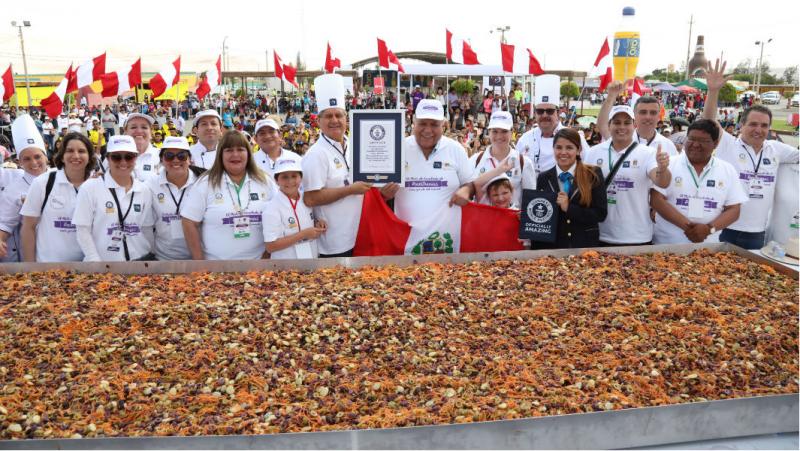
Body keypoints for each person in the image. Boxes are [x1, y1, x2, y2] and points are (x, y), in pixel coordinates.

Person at [702, 59, 799, 249]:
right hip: (724, 228)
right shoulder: (728, 144)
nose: (758, 130)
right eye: (753, 124)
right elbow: (709, 121)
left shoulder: (776, 149)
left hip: (757, 232)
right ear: (741, 125)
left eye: (764, 126)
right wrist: (713, 91)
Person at [381, 99, 478, 254]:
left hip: (447, 242)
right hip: (406, 241)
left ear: (443, 125)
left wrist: (467, 190)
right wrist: (383, 195)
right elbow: (377, 194)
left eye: (434, 124)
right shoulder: (397, 148)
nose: (428, 130)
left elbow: (471, 184)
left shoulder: (455, 150)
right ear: (413, 122)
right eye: (422, 123)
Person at [302, 74, 374, 258]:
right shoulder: (316, 154)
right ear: (318, 122)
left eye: (339, 115)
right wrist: (350, 190)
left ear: (346, 119)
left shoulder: (356, 145)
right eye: (328, 116)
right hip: (334, 241)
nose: (334, 120)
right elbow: (310, 198)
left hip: (361, 233)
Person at [584, 104, 671, 246]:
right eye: (617, 122)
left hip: (637, 236)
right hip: (600, 233)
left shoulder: (648, 153)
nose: (621, 127)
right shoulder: (594, 152)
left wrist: (662, 168)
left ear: (634, 125)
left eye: (627, 122)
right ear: (609, 125)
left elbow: (662, 182)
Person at [181, 130, 275, 260]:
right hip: (216, 268)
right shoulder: (205, 183)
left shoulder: (265, 180)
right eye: (229, 150)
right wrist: (200, 262)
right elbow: (189, 222)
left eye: (240, 149)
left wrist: (268, 255)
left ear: (248, 153)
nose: (235, 154)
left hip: (259, 267)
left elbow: (278, 218)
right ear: (220, 154)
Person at [651, 119, 747, 245]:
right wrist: (687, 227)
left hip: (708, 248)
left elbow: (734, 210)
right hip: (666, 245)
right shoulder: (669, 164)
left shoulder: (727, 170)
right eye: (691, 139)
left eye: (703, 141)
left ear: (716, 143)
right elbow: (656, 200)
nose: (695, 145)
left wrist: (708, 229)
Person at [73, 135, 156, 262]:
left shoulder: (144, 190)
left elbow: (146, 228)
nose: (123, 162)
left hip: (139, 261)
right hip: (103, 264)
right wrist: (94, 260)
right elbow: (82, 229)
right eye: (116, 157)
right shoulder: (90, 188)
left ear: (136, 158)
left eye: (129, 157)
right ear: (108, 159)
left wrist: (150, 254)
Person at [19, 133, 96, 262]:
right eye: (70, 150)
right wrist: (30, 268)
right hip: (48, 268)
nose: (76, 155)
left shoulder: (98, 185)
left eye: (82, 151)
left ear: (89, 157)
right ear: (62, 156)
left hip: (89, 268)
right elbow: (28, 227)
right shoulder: (43, 183)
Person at [535, 128, 607, 249]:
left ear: (578, 150)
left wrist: (569, 208)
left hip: (584, 246)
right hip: (552, 248)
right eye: (558, 147)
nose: (563, 152)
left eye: (569, 147)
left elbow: (600, 214)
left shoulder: (592, 174)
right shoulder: (543, 177)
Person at [0, 115, 51, 262]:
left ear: (46, 156)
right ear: (19, 162)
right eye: (26, 159)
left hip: (64, 253)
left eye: (37, 156)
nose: (33, 163)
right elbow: (4, 223)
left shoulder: (61, 178)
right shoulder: (14, 189)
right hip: (31, 256)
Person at [516, 75, 589, 173]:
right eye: (540, 111)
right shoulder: (524, 139)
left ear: (558, 113)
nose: (544, 115)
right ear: (535, 113)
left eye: (550, 111)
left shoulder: (575, 138)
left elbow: (588, 168)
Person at [263, 158, 327, 259]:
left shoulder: (307, 198)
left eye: (294, 176)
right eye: (284, 177)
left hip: (312, 260)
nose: (290, 181)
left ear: (301, 178)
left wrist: (317, 223)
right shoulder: (271, 208)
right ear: (276, 180)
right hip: (285, 267)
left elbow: (308, 221)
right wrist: (303, 235)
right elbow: (270, 246)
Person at [147, 136, 198, 261]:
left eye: (181, 156)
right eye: (169, 155)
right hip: (162, 259)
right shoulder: (150, 184)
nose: (175, 160)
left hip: (198, 257)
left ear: (190, 159)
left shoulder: (202, 182)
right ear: (161, 159)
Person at [470, 111, 536, 208]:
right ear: (489, 132)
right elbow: (467, 193)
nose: (499, 136)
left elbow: (530, 200)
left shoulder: (523, 162)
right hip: (483, 221)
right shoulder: (476, 160)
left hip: (512, 222)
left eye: (504, 131)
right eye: (495, 131)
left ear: (512, 131)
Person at [598, 85, 678, 157]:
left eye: (653, 113)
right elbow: (602, 126)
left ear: (658, 116)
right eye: (643, 112)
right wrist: (611, 96)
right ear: (634, 115)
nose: (648, 117)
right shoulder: (622, 137)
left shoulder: (668, 146)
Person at [107, 112, 161, 183]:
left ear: (151, 132)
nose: (139, 131)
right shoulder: (113, 156)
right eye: (133, 127)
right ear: (125, 131)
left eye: (144, 127)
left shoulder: (163, 156)